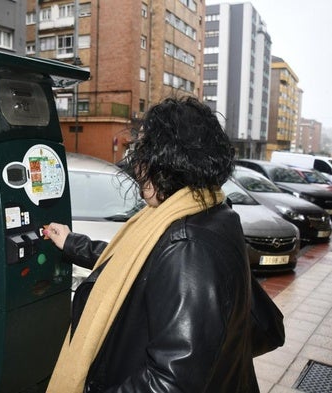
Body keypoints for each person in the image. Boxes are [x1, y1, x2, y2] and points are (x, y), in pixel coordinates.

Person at [44, 96, 269, 393]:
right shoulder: (212, 212)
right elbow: (138, 265)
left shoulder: (187, 246)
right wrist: (73, 243)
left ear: (166, 163)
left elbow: (171, 382)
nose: (136, 166)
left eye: (143, 151)